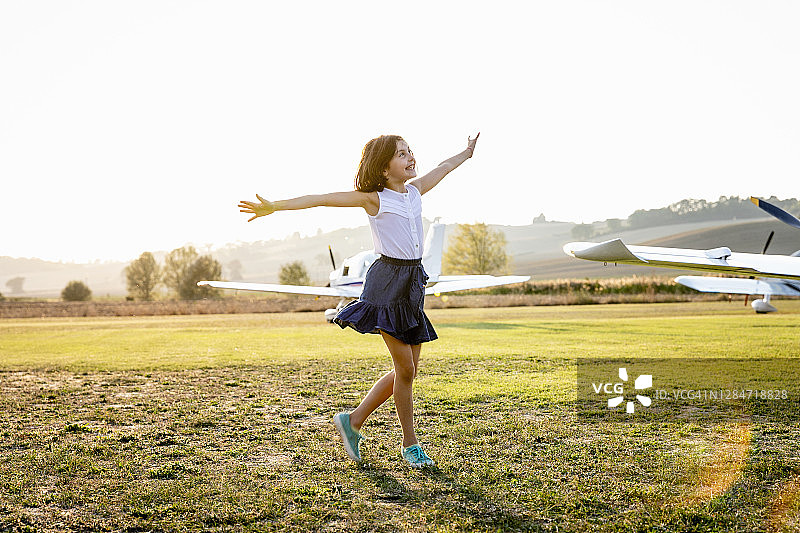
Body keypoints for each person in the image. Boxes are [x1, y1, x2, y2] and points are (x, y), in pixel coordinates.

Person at [238, 133, 479, 468]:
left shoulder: (415, 190)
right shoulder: (373, 199)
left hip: (412, 282)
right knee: (406, 369)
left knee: (406, 372)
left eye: (410, 151)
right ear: (383, 169)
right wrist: (275, 206)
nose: (410, 157)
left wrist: (466, 152)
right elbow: (321, 199)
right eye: (401, 154)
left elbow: (445, 166)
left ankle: (351, 422)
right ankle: (411, 447)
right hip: (387, 283)